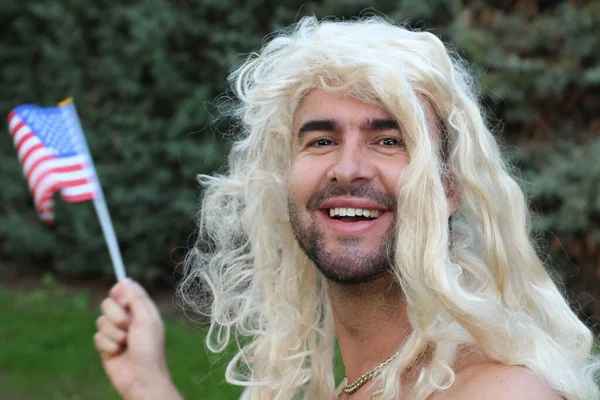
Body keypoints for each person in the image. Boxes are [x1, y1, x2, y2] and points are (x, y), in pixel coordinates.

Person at [93, 16, 600, 400]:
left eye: (388, 140)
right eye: (320, 141)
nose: (348, 168)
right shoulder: (369, 382)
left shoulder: (498, 391)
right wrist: (148, 384)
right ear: (283, 183)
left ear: (448, 187)